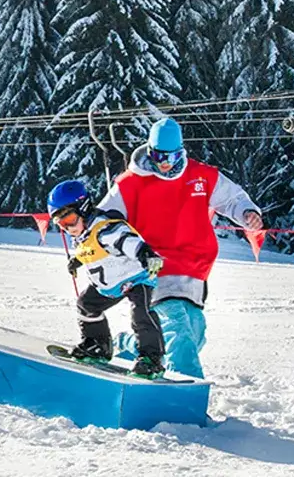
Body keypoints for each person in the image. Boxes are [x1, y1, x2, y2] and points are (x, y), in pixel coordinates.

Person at [99, 117, 263, 378]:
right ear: (149, 150)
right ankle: (184, 390)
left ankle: (128, 344)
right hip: (152, 267)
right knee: (178, 332)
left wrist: (247, 213)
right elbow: (104, 219)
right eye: (158, 156)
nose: (164, 163)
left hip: (194, 269)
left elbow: (233, 198)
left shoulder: (201, 175)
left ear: (182, 152)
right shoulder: (130, 183)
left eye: (172, 156)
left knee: (194, 334)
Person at [48, 179, 166, 377]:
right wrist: (77, 260)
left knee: (141, 313)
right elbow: (89, 249)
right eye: (61, 224)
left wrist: (144, 253)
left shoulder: (106, 228)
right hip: (110, 284)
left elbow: (125, 240)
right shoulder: (83, 233)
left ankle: (151, 358)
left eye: (69, 220)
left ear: (83, 208)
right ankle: (98, 345)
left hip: (135, 278)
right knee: (86, 305)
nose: (68, 228)